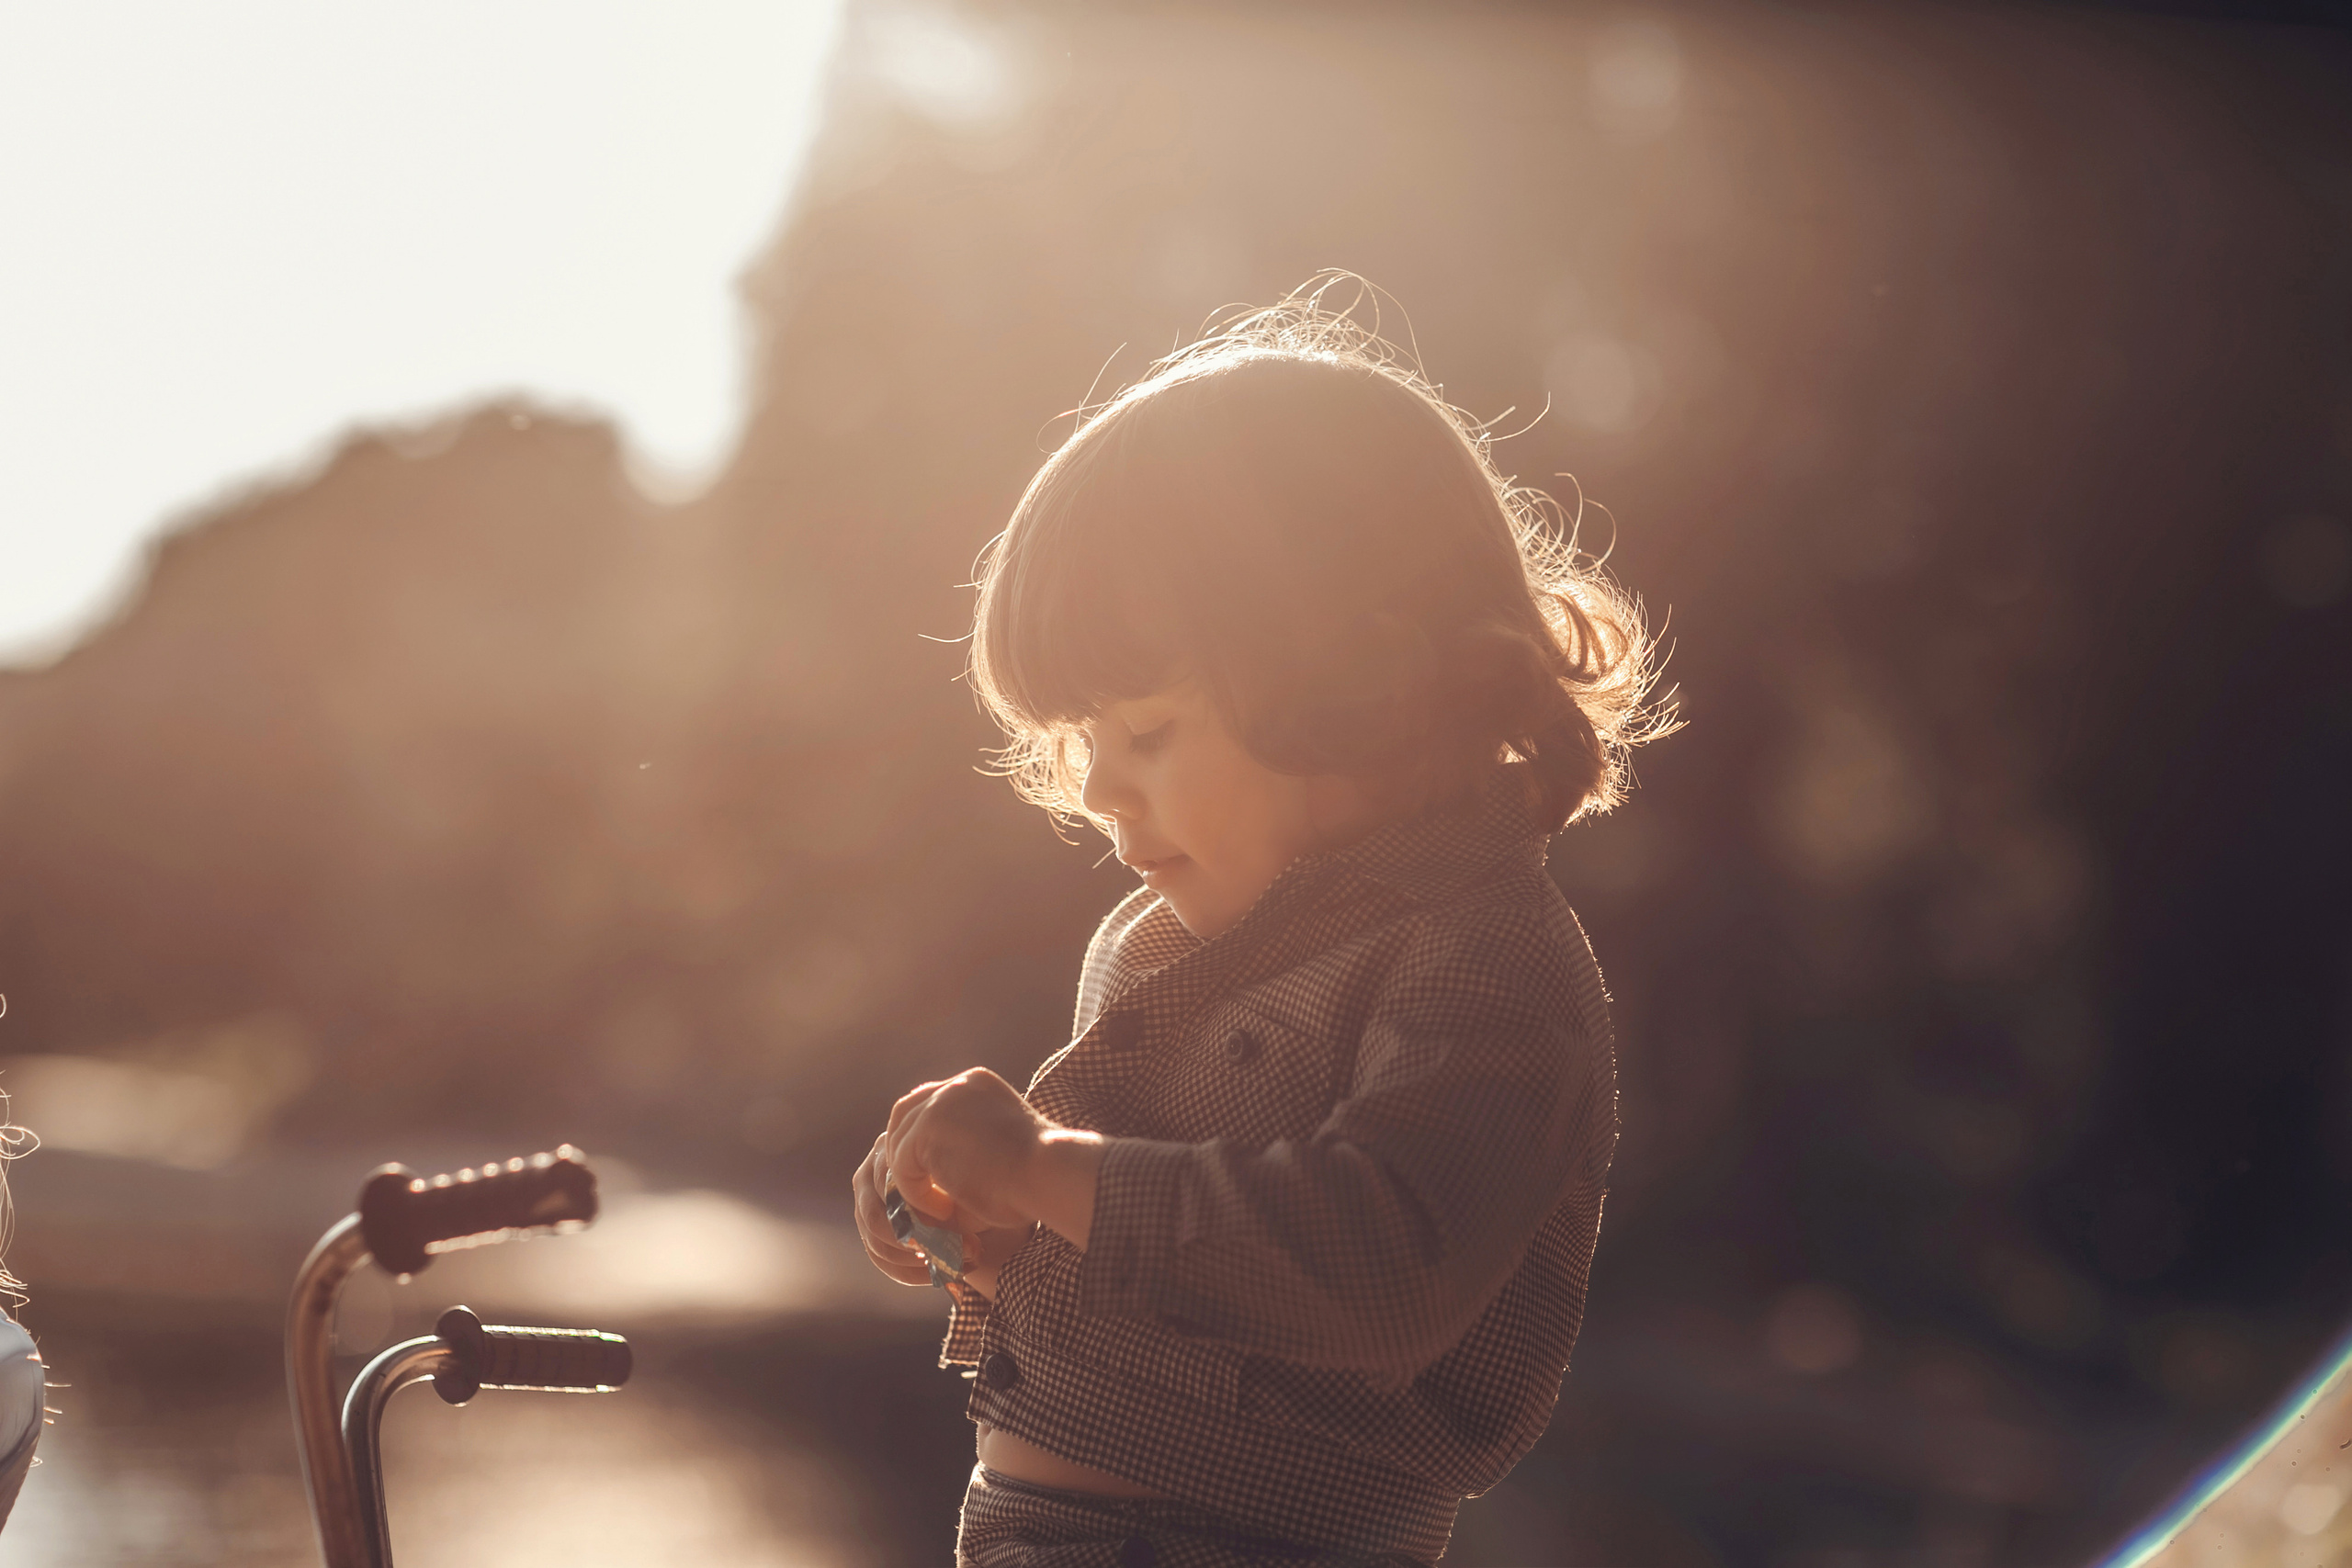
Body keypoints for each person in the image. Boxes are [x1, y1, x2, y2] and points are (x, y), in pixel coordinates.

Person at [852, 276, 1670, 1566]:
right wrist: (994, 1236)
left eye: (1152, 732)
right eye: (1083, 742)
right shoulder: (1156, 940)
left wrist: (1044, 1164)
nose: (1104, 788)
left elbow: (1376, 1264)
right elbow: (1175, 1286)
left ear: (1364, 676)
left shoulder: (1480, 955)